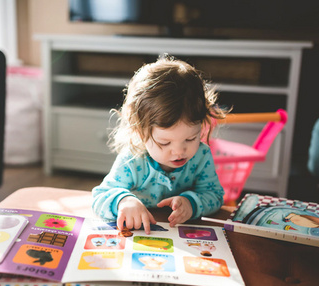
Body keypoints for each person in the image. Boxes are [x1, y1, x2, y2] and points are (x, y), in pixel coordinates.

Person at [92, 55, 227, 234]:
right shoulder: (132, 159)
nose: (179, 151)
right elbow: (100, 197)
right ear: (140, 132)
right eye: (165, 142)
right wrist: (124, 201)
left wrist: (191, 203)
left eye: (191, 138)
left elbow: (215, 196)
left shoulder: (201, 156)